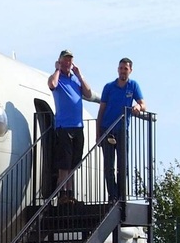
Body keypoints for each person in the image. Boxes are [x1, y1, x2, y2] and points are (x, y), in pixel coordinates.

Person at [95, 58, 146, 202]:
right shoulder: (109, 87)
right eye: (121, 68)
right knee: (109, 166)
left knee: (122, 165)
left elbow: (143, 104)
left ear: (130, 70)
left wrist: (138, 107)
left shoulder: (133, 86)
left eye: (126, 69)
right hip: (108, 128)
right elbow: (102, 109)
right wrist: (97, 131)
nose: (123, 71)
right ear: (118, 69)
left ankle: (121, 195)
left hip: (122, 129)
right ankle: (113, 195)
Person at [48, 49, 92, 205]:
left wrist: (79, 74)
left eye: (70, 60)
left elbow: (88, 93)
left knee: (73, 164)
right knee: (64, 165)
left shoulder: (75, 80)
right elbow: (51, 85)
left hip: (77, 126)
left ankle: (70, 194)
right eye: (65, 60)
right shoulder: (57, 78)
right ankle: (62, 194)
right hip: (63, 126)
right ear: (60, 61)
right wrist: (57, 69)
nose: (68, 63)